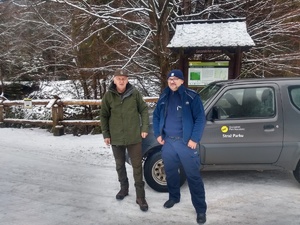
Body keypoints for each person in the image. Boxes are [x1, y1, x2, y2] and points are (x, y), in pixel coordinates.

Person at [152, 69, 207, 224]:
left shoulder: (191, 97)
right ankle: (174, 197)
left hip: (186, 143)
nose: (172, 81)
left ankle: (201, 210)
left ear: (182, 81)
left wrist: (194, 139)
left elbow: (200, 119)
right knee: (170, 172)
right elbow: (156, 117)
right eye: (170, 79)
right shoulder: (164, 96)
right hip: (168, 142)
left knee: (193, 177)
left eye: (176, 79)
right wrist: (158, 134)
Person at [100, 68, 149, 212]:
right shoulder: (108, 96)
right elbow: (103, 115)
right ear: (114, 80)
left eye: (124, 78)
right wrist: (106, 134)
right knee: (120, 165)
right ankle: (124, 188)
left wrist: (144, 127)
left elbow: (144, 110)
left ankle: (140, 196)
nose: (121, 81)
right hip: (116, 137)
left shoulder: (135, 93)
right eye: (119, 78)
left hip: (134, 136)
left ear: (127, 80)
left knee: (137, 166)